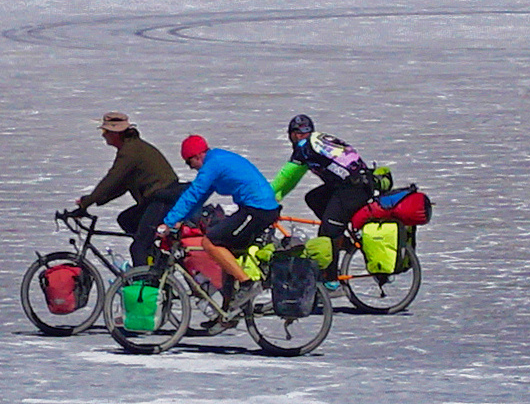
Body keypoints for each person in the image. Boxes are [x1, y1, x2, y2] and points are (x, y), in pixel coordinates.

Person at [158, 135, 281, 310]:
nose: (190, 167)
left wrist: (168, 222)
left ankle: (247, 284)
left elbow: (193, 193)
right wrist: (181, 221)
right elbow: (199, 198)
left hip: (258, 210)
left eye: (188, 162)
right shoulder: (216, 161)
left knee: (209, 242)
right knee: (223, 251)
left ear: (197, 156)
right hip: (255, 208)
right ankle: (227, 312)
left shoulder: (212, 165)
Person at [269, 114, 377, 285]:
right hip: (354, 185)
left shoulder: (305, 147)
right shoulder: (316, 142)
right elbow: (293, 179)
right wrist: (275, 197)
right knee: (313, 198)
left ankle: (331, 281)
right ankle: (342, 238)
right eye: (297, 133)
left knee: (327, 233)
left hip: (353, 189)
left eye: (300, 133)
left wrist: (266, 197)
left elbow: (286, 176)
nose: (298, 136)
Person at [75, 112, 185, 267]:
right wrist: (95, 199)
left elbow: (111, 179)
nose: (103, 136)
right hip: (158, 198)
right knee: (127, 219)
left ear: (115, 133)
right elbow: (121, 185)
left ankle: (144, 285)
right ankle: (158, 262)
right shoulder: (131, 148)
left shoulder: (130, 152)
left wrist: (86, 202)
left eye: (105, 132)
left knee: (138, 247)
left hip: (163, 198)